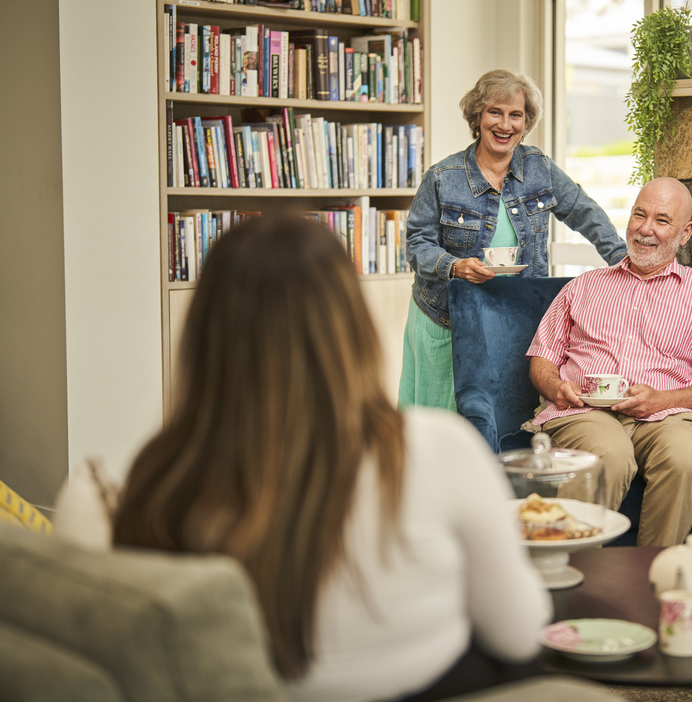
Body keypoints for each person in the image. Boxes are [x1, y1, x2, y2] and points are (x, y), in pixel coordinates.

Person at [85, 214, 549, 702]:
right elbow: (517, 632)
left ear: (205, 333)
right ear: (351, 325)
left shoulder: (162, 474)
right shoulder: (440, 447)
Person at [526, 178, 692, 547]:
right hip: (585, 411)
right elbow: (542, 358)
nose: (645, 229)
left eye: (662, 220)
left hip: (666, 414)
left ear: (685, 233)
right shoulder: (583, 287)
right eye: (639, 215)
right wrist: (556, 387)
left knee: (687, 454)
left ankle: (653, 576)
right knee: (609, 454)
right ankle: (579, 574)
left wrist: (663, 400)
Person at [400, 69, 627, 411]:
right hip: (445, 319)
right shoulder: (443, 177)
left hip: (515, 317)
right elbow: (417, 243)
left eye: (515, 115)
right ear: (478, 116)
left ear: (526, 122)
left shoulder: (540, 168)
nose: (505, 125)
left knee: (507, 416)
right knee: (444, 421)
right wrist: (455, 266)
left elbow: (587, 214)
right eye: (495, 112)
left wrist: (626, 265)